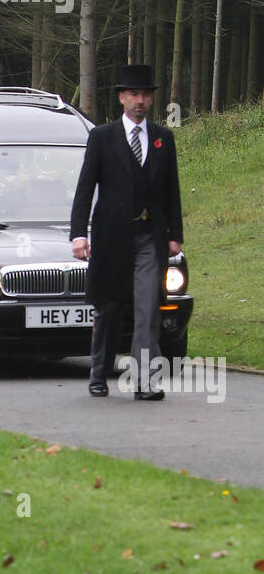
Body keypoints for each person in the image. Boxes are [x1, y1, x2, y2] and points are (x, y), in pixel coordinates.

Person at [69, 65, 184, 399]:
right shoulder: (102, 137)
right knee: (109, 307)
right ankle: (99, 370)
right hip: (111, 238)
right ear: (121, 98)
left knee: (148, 308)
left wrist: (175, 233)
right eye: (134, 94)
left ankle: (144, 381)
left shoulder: (163, 138)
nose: (140, 101)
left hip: (150, 236)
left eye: (146, 95)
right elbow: (85, 188)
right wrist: (79, 234)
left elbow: (171, 190)